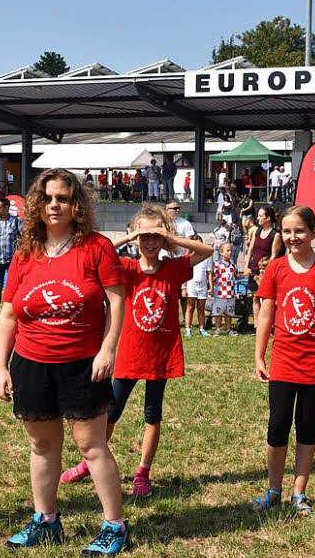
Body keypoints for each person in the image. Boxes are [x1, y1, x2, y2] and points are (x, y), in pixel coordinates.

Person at [0, 168, 130, 557]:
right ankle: (46, 520)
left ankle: (115, 526)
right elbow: (7, 314)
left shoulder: (97, 247)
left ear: (76, 205)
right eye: (48, 198)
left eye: (63, 198)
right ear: (38, 204)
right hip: (32, 363)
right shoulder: (25, 255)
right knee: (41, 445)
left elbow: (116, 301)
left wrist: (107, 349)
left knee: (92, 446)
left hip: (82, 363)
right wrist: (1, 366)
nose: (55, 205)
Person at [61, 203, 212, 497]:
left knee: (152, 415)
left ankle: (143, 471)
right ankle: (88, 462)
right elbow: (95, 254)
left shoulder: (172, 269)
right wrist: (132, 236)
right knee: (110, 413)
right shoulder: (127, 268)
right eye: (145, 236)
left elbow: (206, 252)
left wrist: (170, 238)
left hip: (160, 357)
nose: (150, 241)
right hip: (129, 354)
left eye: (156, 237)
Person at [252, 206, 315, 516]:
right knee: (277, 426)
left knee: (307, 427)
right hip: (284, 363)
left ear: (313, 233)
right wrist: (259, 354)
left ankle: (299, 492)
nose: (293, 237)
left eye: (299, 231)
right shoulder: (276, 269)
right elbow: (265, 314)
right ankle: (274, 489)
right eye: (287, 231)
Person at [244, 205, 283, 331]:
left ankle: (269, 324)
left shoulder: (275, 235)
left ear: (268, 218)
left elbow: (274, 256)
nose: (258, 218)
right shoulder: (258, 231)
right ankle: (257, 325)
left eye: (261, 216)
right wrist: (246, 266)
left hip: (267, 271)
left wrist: (265, 268)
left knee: (267, 299)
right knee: (255, 297)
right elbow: (250, 249)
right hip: (254, 268)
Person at [0, 197, 23, 320]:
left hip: (12, 261)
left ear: (7, 208)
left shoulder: (17, 221)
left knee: (14, 289)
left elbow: (24, 239)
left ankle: (14, 314)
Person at [185, 236, 212, 338]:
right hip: (191, 285)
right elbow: (184, 272)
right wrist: (184, 287)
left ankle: (202, 329)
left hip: (203, 286)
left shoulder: (207, 257)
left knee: (201, 309)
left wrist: (211, 287)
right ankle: (188, 329)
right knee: (190, 307)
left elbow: (209, 273)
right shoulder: (189, 257)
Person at [209, 242, 238, 335]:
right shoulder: (217, 265)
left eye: (231, 250)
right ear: (221, 253)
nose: (229, 252)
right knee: (218, 312)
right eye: (227, 250)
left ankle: (228, 329)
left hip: (230, 293)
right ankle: (217, 328)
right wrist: (212, 288)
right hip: (220, 293)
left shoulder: (233, 265)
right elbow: (213, 278)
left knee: (229, 312)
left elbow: (235, 277)